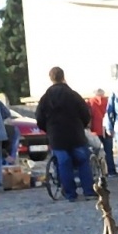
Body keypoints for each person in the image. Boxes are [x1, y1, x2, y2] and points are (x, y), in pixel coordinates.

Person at [35, 66, 97, 202]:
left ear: (51, 79)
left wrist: (48, 130)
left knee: (63, 164)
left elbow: (39, 119)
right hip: (75, 134)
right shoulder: (74, 95)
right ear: (63, 77)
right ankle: (89, 191)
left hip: (57, 137)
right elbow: (86, 115)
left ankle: (70, 194)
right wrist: (82, 125)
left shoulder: (45, 98)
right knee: (82, 162)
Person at [86, 88, 117, 176]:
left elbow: (89, 116)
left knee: (94, 151)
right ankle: (111, 171)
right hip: (107, 129)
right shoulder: (108, 102)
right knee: (109, 152)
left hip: (95, 130)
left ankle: (97, 172)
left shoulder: (90, 102)